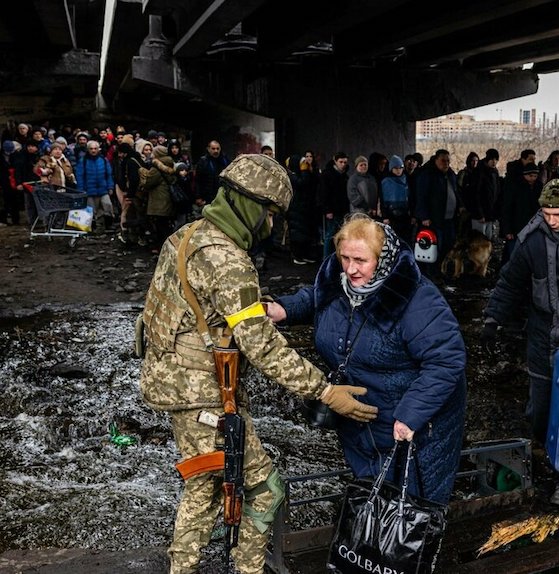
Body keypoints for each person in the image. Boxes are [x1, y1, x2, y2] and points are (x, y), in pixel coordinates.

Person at [139, 154, 377, 574]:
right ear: (249, 205)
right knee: (264, 490)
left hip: (173, 383)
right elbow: (262, 346)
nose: (271, 225)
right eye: (268, 214)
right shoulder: (230, 261)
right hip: (203, 395)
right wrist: (323, 390)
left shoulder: (186, 235)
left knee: (208, 486)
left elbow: (173, 312)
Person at [266, 214, 467, 505]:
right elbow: (317, 299)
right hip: (360, 417)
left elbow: (446, 361)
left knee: (407, 511)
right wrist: (284, 309)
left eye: (361, 260)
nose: (351, 269)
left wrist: (410, 416)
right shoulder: (337, 283)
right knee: (371, 500)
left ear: (382, 258)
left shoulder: (415, 298)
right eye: (344, 258)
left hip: (413, 424)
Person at [480, 178, 559, 504]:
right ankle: (541, 454)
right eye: (547, 213)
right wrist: (492, 319)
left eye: (558, 214)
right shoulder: (531, 242)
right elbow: (510, 283)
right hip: (543, 334)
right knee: (540, 408)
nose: (552, 221)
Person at [318, 150, 349, 259]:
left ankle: (335, 258)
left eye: (345, 162)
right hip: (332, 209)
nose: (343, 164)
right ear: (335, 161)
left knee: (338, 235)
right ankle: (326, 258)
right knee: (330, 235)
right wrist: (327, 210)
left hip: (341, 209)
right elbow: (324, 193)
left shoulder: (344, 175)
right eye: (341, 162)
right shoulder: (327, 175)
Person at [193, 139, 230, 205]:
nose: (216, 151)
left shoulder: (225, 159)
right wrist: (198, 196)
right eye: (213, 149)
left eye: (217, 148)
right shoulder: (203, 161)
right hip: (208, 196)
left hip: (223, 194)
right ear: (208, 149)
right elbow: (197, 180)